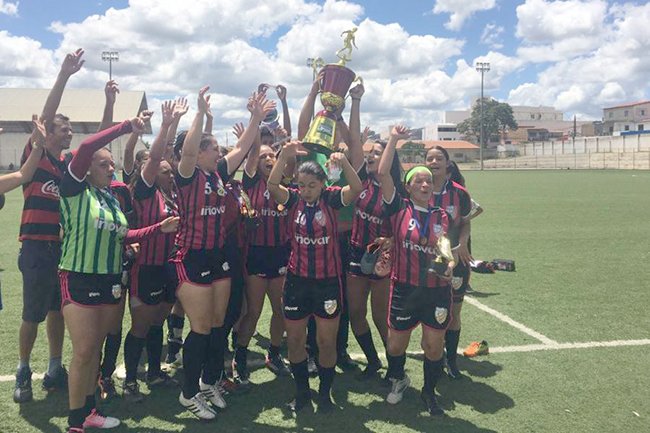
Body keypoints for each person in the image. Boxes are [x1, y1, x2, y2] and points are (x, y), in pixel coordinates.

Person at [59, 117, 179, 433]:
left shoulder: (111, 198)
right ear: (85, 168)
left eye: (112, 165)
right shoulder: (74, 189)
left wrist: (158, 229)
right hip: (80, 276)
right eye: (104, 164)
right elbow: (85, 145)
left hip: (109, 279)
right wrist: (127, 126)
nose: (111, 169)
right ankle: (75, 422)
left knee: (94, 350)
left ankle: (89, 411)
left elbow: (125, 235)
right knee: (84, 352)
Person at [170, 86, 274, 420]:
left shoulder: (218, 174)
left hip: (218, 257)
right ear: (198, 153)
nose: (219, 152)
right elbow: (186, 153)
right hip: (192, 257)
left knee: (217, 325)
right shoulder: (188, 174)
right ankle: (188, 394)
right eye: (212, 148)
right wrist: (200, 113)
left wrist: (256, 117)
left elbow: (244, 147)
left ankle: (209, 380)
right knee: (200, 327)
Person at [266, 140, 363, 413]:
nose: (306, 191)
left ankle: (324, 394)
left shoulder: (332, 198)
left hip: (328, 282)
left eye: (311, 185)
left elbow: (356, 188)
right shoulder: (293, 199)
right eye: (302, 185)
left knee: (325, 342)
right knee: (296, 341)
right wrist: (284, 156)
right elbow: (272, 187)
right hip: (297, 282)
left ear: (321, 183)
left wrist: (343, 162)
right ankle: (301, 394)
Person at [14, 48, 85, 403]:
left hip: (63, 249)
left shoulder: (65, 167)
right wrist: (64, 76)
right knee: (32, 313)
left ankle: (54, 366)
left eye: (71, 128)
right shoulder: (37, 157)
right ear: (47, 132)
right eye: (64, 128)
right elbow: (44, 117)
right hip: (36, 247)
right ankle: (24, 368)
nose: (69, 132)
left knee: (59, 310)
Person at [377, 126, 457, 416]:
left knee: (433, 346)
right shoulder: (398, 208)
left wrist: (448, 263)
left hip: (436, 291)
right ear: (409, 187)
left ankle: (429, 392)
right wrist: (394, 140)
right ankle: (399, 379)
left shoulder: (442, 216)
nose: (424, 184)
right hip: (405, 289)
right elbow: (384, 174)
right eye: (418, 181)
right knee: (396, 343)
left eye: (428, 181)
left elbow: (444, 247)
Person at [121, 101, 179, 402]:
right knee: (142, 325)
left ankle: (154, 372)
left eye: (171, 171)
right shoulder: (144, 192)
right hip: (147, 267)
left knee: (158, 322)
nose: (170, 175)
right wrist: (167, 125)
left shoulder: (172, 194)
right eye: (164, 171)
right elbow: (155, 156)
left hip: (169, 268)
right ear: (152, 173)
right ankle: (130, 381)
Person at [232, 126, 292, 384]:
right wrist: (255, 125)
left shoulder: (285, 185)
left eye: (273, 156)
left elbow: (290, 158)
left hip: (281, 254)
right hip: (256, 254)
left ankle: (275, 353)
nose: (268, 159)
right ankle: (241, 357)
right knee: (253, 311)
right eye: (263, 157)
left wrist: (285, 148)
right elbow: (253, 152)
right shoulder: (250, 182)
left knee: (281, 310)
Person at [425, 157, 474, 378]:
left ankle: (452, 361)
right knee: (430, 310)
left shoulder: (459, 192)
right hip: (426, 259)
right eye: (429, 158)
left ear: (447, 165)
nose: (434, 161)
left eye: (439, 158)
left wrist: (463, 244)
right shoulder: (418, 186)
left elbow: (466, 221)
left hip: (455, 257)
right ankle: (435, 353)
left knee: (454, 312)